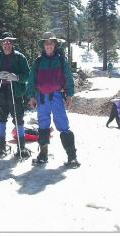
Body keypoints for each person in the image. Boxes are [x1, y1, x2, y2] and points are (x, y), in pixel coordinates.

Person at [27, 31, 80, 167]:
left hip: (57, 96)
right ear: (44, 46)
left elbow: (68, 78)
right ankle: (43, 154)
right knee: (43, 126)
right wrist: (32, 96)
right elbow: (31, 80)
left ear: (55, 45)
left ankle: (72, 157)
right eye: (46, 43)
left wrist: (69, 95)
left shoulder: (61, 60)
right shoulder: (38, 62)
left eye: (51, 43)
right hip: (42, 98)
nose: (49, 45)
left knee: (63, 124)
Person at [0, 32, 30, 158]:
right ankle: (1, 145)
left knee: (19, 118)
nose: (7, 44)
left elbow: (27, 75)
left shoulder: (20, 57)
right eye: (5, 42)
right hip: (1, 91)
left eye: (9, 42)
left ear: (12, 43)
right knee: (1, 117)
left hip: (15, 92)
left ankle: (21, 147)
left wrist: (16, 77)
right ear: (1, 44)